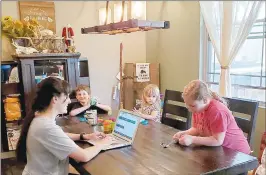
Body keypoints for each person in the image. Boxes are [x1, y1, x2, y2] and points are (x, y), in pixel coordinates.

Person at [16, 77, 113, 175]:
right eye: (66, 97)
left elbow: (60, 135)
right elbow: (84, 156)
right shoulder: (46, 127)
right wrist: (103, 144)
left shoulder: (40, 118)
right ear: (55, 99)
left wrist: (84, 136)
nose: (69, 101)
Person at [173, 80, 250, 154]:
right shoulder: (197, 109)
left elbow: (217, 140)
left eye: (192, 105)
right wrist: (184, 134)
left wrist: (192, 139)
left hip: (236, 153)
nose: (189, 108)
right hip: (218, 151)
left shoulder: (217, 111)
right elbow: (196, 129)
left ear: (205, 100)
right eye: (187, 104)